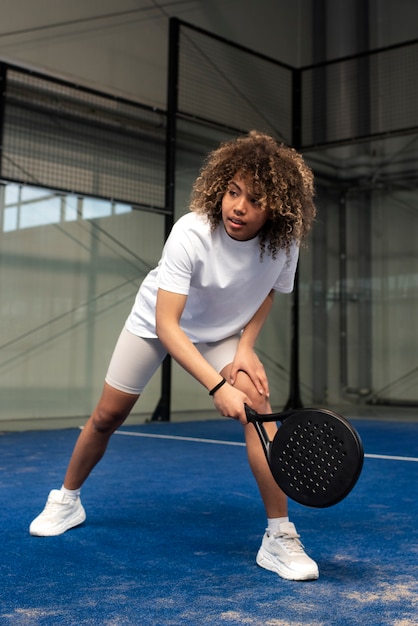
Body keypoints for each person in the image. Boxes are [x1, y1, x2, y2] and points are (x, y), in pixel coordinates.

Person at [29, 130, 318, 581]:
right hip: (158, 322)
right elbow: (168, 325)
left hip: (221, 332)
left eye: (254, 200)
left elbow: (267, 294)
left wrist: (244, 347)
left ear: (275, 208)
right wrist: (217, 385)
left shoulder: (284, 243)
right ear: (221, 188)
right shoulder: (191, 231)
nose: (238, 207)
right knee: (107, 416)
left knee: (259, 408)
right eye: (233, 192)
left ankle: (279, 536)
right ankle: (67, 499)